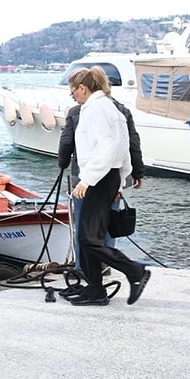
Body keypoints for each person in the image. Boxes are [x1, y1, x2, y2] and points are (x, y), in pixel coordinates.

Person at [65, 67, 150, 306]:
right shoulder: (108, 108)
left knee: (89, 238)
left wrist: (87, 179)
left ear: (83, 88)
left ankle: (135, 271)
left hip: (99, 177)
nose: (72, 94)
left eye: (73, 89)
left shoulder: (96, 110)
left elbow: (107, 146)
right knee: (88, 237)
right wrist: (121, 179)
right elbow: (123, 147)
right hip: (107, 176)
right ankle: (95, 289)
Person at [58, 85, 145, 273]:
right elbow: (131, 143)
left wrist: (62, 163)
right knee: (107, 224)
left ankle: (84, 268)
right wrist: (137, 172)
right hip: (113, 177)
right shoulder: (122, 111)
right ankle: (105, 266)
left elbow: (66, 142)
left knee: (84, 227)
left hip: (84, 175)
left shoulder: (77, 112)